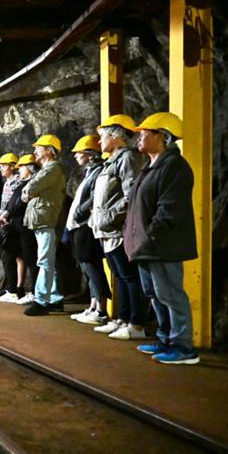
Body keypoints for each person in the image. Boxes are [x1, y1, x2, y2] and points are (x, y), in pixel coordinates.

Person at [125, 113, 199, 365]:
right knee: (155, 295)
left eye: (145, 133)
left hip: (163, 245)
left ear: (162, 137)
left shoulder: (174, 167)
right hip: (147, 246)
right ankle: (166, 338)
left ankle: (183, 347)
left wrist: (148, 238)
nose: (139, 137)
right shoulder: (151, 167)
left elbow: (168, 211)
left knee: (170, 294)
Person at [90, 114, 149, 340]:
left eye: (103, 136)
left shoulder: (127, 159)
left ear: (116, 136)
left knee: (129, 276)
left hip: (118, 229)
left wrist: (110, 217)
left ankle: (136, 324)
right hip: (107, 229)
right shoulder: (112, 161)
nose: (99, 142)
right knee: (120, 275)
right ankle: (122, 319)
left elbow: (131, 194)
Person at [66, 135, 111, 326]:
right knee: (87, 267)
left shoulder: (98, 171)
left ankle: (101, 310)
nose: (76, 156)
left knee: (93, 267)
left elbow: (95, 197)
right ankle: (93, 306)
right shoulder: (91, 172)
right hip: (80, 225)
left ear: (90, 154)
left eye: (79, 152)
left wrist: (79, 211)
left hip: (87, 225)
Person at [22, 135, 67, 316]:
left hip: (47, 219)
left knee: (45, 261)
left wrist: (28, 192)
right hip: (42, 219)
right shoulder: (46, 169)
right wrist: (28, 191)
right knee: (50, 261)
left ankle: (41, 300)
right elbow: (28, 189)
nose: (35, 151)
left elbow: (30, 188)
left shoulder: (53, 169)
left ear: (49, 150)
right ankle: (55, 298)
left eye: (38, 148)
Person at [4, 155, 39, 304]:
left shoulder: (32, 183)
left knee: (32, 259)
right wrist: (7, 213)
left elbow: (20, 204)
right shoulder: (23, 183)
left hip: (26, 226)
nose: (19, 170)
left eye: (22, 167)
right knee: (23, 256)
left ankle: (34, 292)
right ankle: (21, 289)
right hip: (18, 225)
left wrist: (9, 213)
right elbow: (13, 203)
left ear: (29, 168)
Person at [0, 153, 23, 303]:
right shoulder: (7, 183)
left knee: (13, 256)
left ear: (13, 166)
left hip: (13, 224)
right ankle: (12, 287)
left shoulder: (17, 182)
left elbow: (14, 204)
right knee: (8, 256)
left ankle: (15, 289)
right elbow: (3, 204)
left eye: (3, 166)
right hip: (4, 223)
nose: (1, 169)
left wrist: (4, 217)